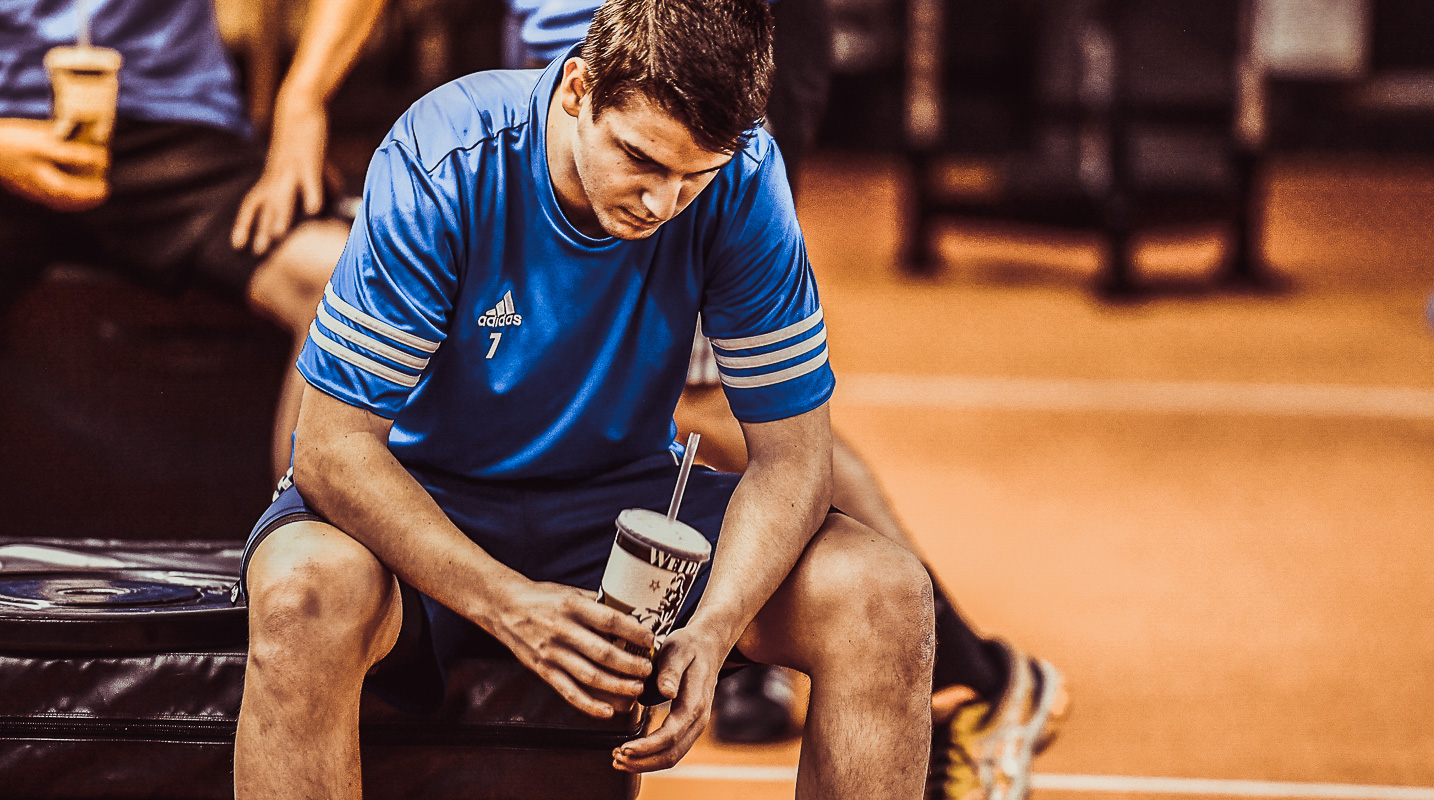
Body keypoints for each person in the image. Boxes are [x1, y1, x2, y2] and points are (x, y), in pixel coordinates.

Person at [234, 1, 936, 798]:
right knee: (300, 593)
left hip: (613, 512)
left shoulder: (743, 181)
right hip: (422, 499)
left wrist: (715, 629)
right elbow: (329, 451)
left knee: (883, 595)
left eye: (691, 176)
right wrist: (511, 605)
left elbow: (793, 459)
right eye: (640, 159)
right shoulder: (446, 155)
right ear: (576, 89)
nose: (661, 203)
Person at [0, 0, 363, 479]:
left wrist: (303, 100)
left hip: (171, 127)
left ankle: (301, 548)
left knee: (343, 281)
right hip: (8, 128)